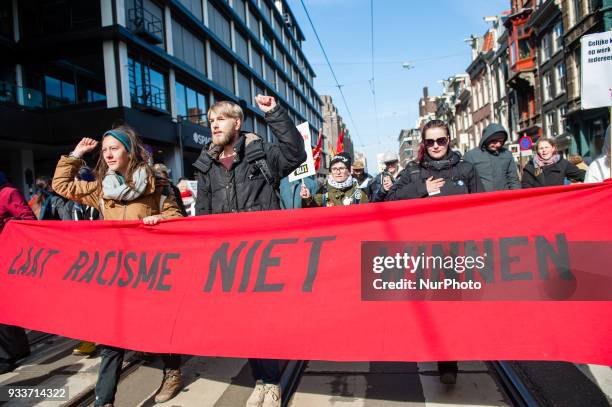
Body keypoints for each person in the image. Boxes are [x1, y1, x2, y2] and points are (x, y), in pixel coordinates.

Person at [52, 125, 184, 407]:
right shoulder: (101, 189)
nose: (108, 154)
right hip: (116, 275)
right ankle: (105, 400)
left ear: (129, 151)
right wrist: (76, 154)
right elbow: (61, 186)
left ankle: (172, 372)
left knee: (158, 330)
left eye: (114, 148)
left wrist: (160, 221)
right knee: (112, 339)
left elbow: (176, 218)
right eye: (105, 150)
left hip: (150, 274)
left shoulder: (157, 185)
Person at [193, 95, 305, 407]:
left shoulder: (260, 151)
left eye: (221, 119)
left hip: (263, 255)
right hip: (228, 260)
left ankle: (271, 383)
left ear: (237, 123)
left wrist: (274, 112)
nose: (214, 125)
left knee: (263, 320)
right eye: (211, 120)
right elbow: (202, 211)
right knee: (244, 323)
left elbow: (295, 153)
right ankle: (261, 377)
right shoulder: (207, 162)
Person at [385, 120, 484, 384]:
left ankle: (447, 361)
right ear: (424, 143)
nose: (436, 146)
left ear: (449, 139)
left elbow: (482, 208)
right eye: (430, 142)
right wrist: (422, 190)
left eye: (441, 140)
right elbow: (389, 201)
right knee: (426, 308)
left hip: (456, 251)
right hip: (422, 250)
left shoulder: (466, 169)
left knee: (449, 308)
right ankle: (429, 348)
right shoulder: (414, 171)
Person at [0, 171, 35, 374]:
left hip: (7, 257)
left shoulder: (8, 193)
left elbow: (29, 221)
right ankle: (18, 350)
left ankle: (8, 355)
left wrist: (6, 228)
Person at [463, 123, 521, 192]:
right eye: (495, 141)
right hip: (482, 200)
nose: (498, 144)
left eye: (501, 141)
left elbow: (513, 180)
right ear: (487, 139)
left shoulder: (507, 154)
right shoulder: (471, 156)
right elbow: (466, 183)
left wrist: (517, 198)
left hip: (505, 199)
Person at [302, 153, 368, 207]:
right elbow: (314, 209)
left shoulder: (358, 192)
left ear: (349, 171)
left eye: (341, 168)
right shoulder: (324, 191)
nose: (338, 172)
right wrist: (308, 198)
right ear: (331, 171)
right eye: (334, 169)